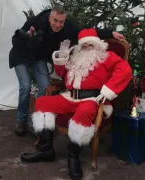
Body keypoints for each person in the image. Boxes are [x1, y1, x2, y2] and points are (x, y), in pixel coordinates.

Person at [20, 28, 132, 180]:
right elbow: (61, 73)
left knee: (85, 111)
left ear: (97, 45)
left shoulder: (107, 56)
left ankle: (73, 156)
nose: (87, 48)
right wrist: (62, 56)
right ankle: (45, 150)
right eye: (84, 46)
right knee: (42, 102)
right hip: (69, 97)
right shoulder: (75, 58)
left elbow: (125, 70)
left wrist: (107, 92)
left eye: (90, 45)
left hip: (91, 99)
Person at [9, 5, 126, 137]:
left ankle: (37, 122)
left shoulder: (68, 26)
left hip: (38, 57)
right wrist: (28, 43)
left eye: (61, 22)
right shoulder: (36, 22)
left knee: (45, 85)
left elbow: (86, 32)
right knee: (25, 86)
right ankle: (21, 121)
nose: (58, 25)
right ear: (49, 18)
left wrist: (110, 33)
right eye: (55, 21)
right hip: (21, 55)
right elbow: (16, 39)